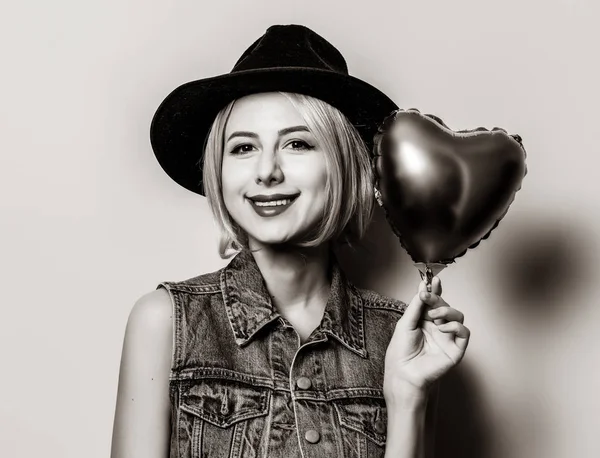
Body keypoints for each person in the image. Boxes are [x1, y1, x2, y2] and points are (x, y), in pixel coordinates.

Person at [110, 24, 470, 458]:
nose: (267, 171)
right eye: (242, 148)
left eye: (297, 144)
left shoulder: (399, 335)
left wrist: (409, 396)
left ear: (342, 165)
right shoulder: (165, 322)